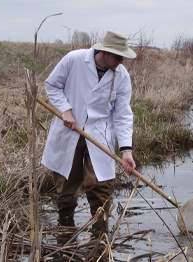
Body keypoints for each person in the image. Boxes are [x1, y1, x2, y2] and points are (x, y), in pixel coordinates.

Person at [41, 31, 137, 231]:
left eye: (123, 58)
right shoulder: (74, 59)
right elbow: (52, 85)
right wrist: (65, 111)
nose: (121, 62)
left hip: (100, 134)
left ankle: (99, 236)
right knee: (66, 186)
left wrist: (126, 151)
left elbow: (123, 113)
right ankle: (65, 230)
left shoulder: (121, 75)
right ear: (104, 51)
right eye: (118, 57)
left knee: (100, 185)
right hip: (70, 129)